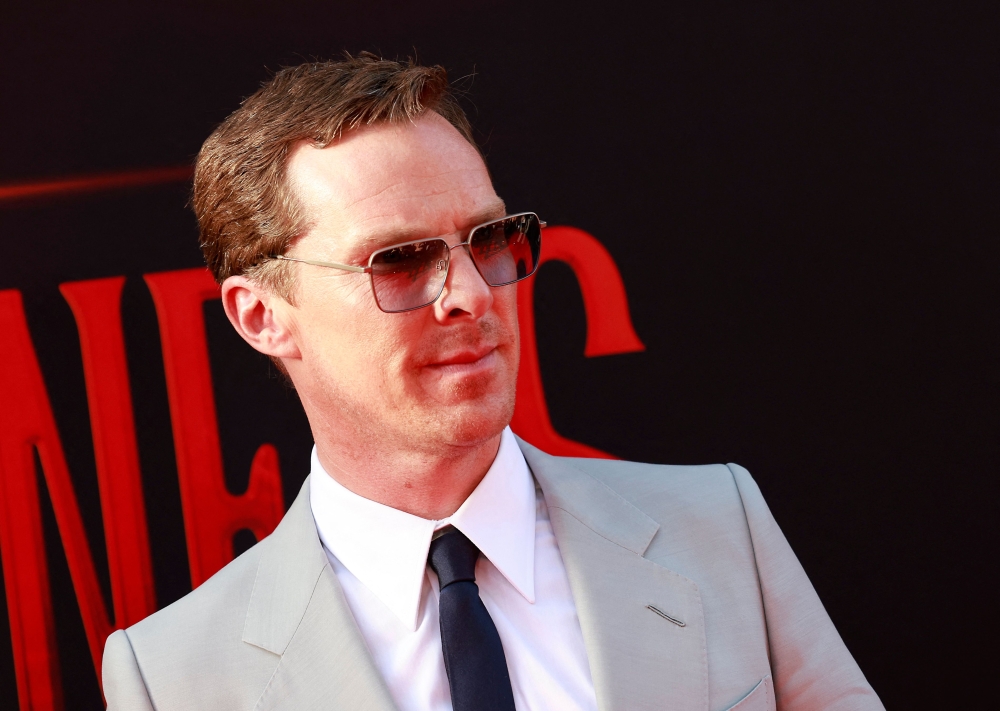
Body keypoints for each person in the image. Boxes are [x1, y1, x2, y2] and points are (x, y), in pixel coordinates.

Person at [102, 54, 884, 711]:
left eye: (490, 239)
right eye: (400, 260)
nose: (473, 293)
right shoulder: (173, 678)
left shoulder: (719, 530)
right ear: (262, 315)